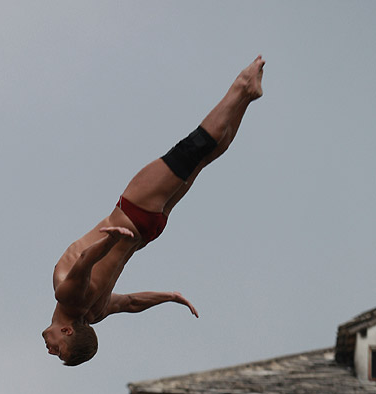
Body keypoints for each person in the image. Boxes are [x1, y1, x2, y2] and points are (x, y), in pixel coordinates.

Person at [42, 56, 265, 366]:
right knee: (189, 151)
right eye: (59, 350)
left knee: (203, 159)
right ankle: (241, 86)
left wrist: (170, 297)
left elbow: (132, 303)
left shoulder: (97, 312)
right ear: (67, 331)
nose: (50, 350)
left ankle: (246, 99)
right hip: (132, 214)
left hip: (150, 230)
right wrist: (109, 239)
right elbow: (84, 261)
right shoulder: (68, 298)